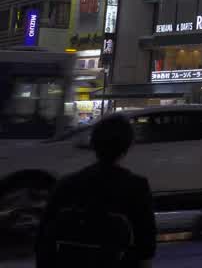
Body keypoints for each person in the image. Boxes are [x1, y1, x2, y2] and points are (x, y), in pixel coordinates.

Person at [36, 114, 156, 268]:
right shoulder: (136, 186)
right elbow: (145, 245)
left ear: (93, 144)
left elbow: (43, 239)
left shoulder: (67, 184)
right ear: (127, 147)